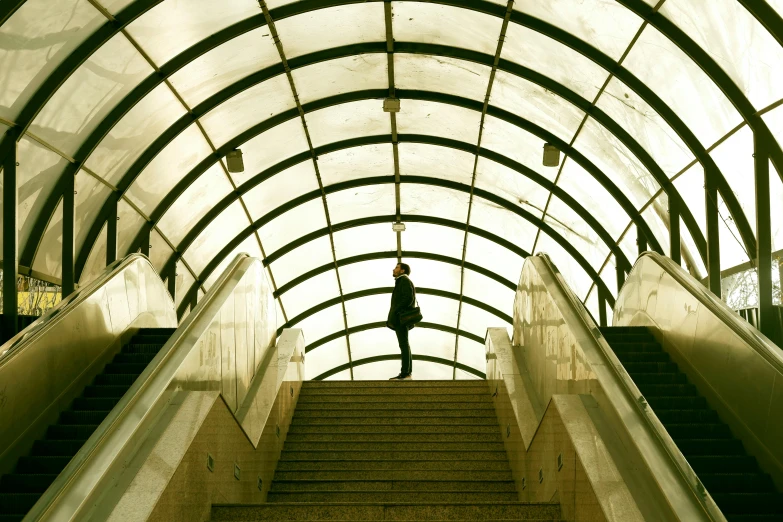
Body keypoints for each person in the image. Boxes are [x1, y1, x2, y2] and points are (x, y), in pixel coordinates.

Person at [387, 262, 416, 380]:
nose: (394, 269)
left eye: (396, 268)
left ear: (402, 271)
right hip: (402, 317)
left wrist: (397, 311)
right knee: (404, 344)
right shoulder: (402, 281)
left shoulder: (403, 280)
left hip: (401, 318)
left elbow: (408, 298)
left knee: (403, 345)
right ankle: (407, 372)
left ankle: (406, 373)